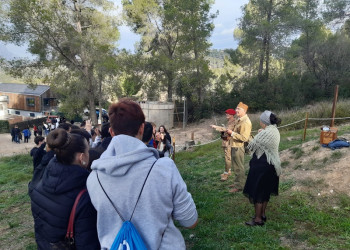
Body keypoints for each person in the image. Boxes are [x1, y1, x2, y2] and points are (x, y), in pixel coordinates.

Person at [87, 98, 198, 250]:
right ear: (141, 128)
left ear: (112, 132)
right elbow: (190, 221)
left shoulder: (94, 178)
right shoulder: (164, 168)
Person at [30, 129, 100, 249]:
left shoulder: (39, 184)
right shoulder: (85, 196)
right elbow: (88, 243)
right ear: (82, 157)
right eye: (88, 151)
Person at [243, 111, 282, 226]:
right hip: (271, 165)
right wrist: (261, 133)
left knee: (258, 192)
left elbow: (251, 146)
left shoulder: (265, 133)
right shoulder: (274, 130)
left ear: (263, 122)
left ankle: (258, 219)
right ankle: (263, 214)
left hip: (262, 165)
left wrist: (252, 138)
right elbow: (264, 143)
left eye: (260, 120)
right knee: (265, 192)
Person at [226, 102, 252, 193]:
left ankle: (240, 186)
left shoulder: (246, 122)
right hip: (235, 145)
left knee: (238, 167)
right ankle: (238, 182)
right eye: (236, 108)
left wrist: (231, 133)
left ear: (244, 111)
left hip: (239, 147)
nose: (236, 110)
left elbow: (244, 138)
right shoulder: (239, 119)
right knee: (235, 166)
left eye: (238, 109)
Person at [211, 109, 237, 181]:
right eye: (226, 114)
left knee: (227, 158)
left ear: (232, 115)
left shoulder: (233, 122)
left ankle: (226, 174)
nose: (226, 115)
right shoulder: (230, 121)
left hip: (229, 142)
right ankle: (228, 171)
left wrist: (216, 127)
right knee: (227, 157)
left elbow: (227, 130)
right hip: (226, 142)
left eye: (228, 114)